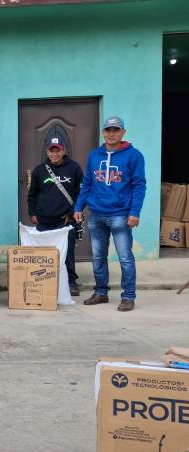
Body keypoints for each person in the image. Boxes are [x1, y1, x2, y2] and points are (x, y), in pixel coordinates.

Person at [74, 116, 146, 312]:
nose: (111, 134)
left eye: (116, 130)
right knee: (98, 257)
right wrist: (79, 207)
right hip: (96, 214)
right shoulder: (94, 156)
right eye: (108, 130)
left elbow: (139, 185)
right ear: (103, 132)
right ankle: (100, 292)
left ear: (123, 132)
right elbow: (87, 183)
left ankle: (128, 297)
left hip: (121, 215)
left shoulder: (134, 156)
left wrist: (135, 212)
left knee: (125, 257)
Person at [27, 137, 84, 296]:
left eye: (57, 150)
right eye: (51, 150)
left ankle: (71, 282)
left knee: (67, 253)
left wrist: (71, 213)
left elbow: (81, 194)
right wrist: (32, 213)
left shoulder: (74, 168)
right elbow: (32, 195)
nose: (54, 154)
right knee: (44, 254)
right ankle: (45, 281)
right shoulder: (39, 170)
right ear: (47, 152)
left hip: (65, 220)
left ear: (63, 151)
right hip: (43, 220)